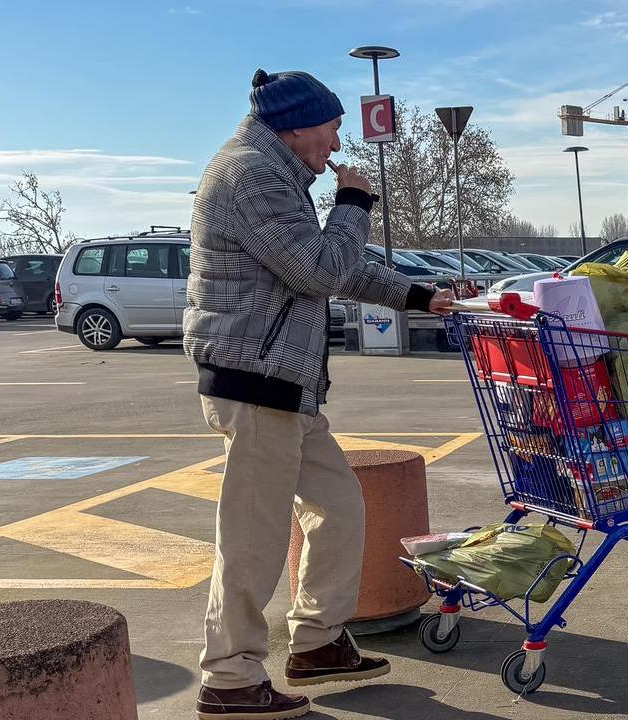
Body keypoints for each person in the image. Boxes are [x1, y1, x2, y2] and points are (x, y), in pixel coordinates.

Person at [185, 68, 453, 719]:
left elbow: (340, 268)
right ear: (297, 125)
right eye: (332, 129)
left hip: (288, 385)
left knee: (339, 506)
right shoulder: (250, 174)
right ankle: (229, 676)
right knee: (252, 538)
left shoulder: (277, 177)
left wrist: (420, 296)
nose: (336, 146)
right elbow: (321, 268)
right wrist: (354, 203)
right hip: (257, 381)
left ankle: (317, 641)